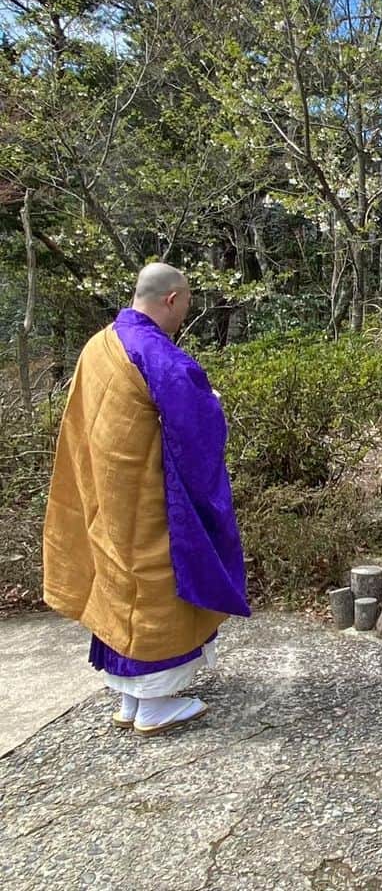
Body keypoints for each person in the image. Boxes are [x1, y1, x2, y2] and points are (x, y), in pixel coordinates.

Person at [43, 263, 250, 736]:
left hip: (108, 491)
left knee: (119, 583)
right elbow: (198, 422)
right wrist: (212, 402)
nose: (183, 316)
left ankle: (130, 699)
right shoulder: (154, 352)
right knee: (156, 587)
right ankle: (155, 705)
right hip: (151, 497)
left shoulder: (101, 344)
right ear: (172, 300)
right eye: (187, 306)